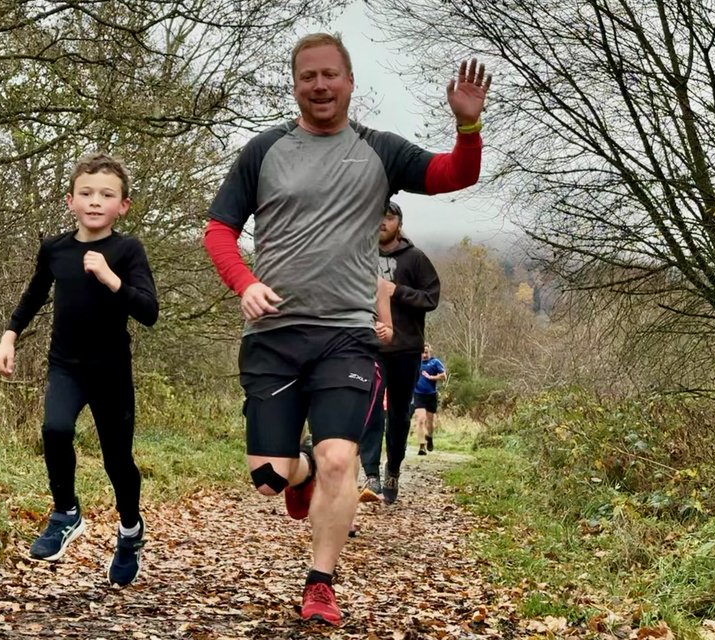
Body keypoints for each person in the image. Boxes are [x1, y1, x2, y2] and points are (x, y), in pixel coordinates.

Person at [202, 32, 490, 626]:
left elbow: (453, 175)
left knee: (341, 460)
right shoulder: (264, 151)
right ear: (296, 84)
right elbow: (218, 230)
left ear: (351, 81)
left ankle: (320, 583)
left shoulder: (379, 151)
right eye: (308, 76)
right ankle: (297, 469)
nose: (320, 85)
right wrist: (245, 283)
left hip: (347, 334)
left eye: (331, 74)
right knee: (268, 478)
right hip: (275, 335)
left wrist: (467, 127)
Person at [0, 152, 159, 587]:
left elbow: (149, 312)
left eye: (107, 195)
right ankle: (66, 512)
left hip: (111, 373)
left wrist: (111, 279)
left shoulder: (127, 251)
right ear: (70, 200)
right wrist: (10, 335)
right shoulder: (55, 249)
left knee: (117, 462)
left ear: (123, 205)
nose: (95, 201)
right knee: (55, 429)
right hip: (66, 365)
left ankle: (129, 532)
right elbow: (33, 295)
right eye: (86, 193)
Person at [357, 201, 440, 504]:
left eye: (388, 217)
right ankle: (371, 475)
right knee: (370, 408)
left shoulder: (415, 258)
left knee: (399, 414)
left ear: (398, 223)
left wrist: (397, 291)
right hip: (369, 346)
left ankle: (393, 468)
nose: (381, 222)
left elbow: (432, 297)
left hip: (406, 347)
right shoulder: (361, 255)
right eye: (377, 216)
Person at [413, 343, 447, 455]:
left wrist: (431, 377)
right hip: (418, 395)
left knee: (430, 423)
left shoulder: (435, 362)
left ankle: (430, 437)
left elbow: (444, 376)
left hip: (431, 395)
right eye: (422, 352)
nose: (424, 355)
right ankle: (422, 446)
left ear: (430, 352)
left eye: (426, 352)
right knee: (420, 419)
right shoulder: (415, 363)